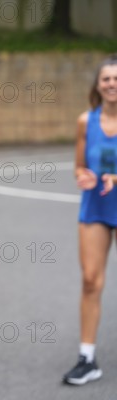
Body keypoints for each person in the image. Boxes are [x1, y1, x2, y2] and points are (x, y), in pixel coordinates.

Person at [63, 54, 117, 386]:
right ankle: (87, 357)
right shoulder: (86, 121)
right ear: (97, 85)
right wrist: (82, 176)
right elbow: (79, 167)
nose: (113, 84)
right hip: (96, 209)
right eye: (107, 78)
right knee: (90, 281)